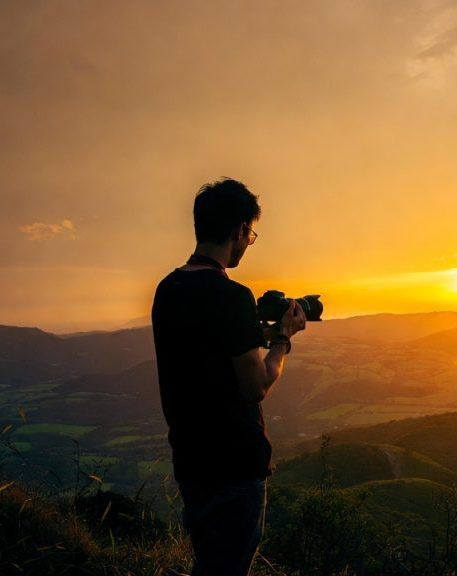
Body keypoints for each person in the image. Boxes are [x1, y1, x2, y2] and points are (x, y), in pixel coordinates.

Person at [151, 178, 306, 575]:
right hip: (233, 463)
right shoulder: (232, 295)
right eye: (250, 235)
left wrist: (258, 335)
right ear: (240, 229)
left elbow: (205, 354)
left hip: (191, 457)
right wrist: (282, 341)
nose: (248, 242)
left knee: (210, 562)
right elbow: (255, 385)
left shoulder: (168, 289)